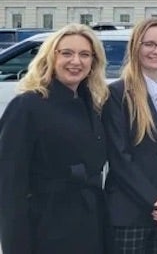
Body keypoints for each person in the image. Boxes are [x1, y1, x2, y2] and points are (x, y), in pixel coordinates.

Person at [0, 24, 109, 254]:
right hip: (45, 229)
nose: (76, 61)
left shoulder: (93, 105)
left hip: (91, 227)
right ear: (51, 57)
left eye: (84, 55)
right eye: (67, 53)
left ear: (93, 63)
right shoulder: (27, 106)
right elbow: (9, 186)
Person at [103, 18, 157, 253]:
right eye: (149, 44)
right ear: (136, 47)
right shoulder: (117, 94)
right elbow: (120, 159)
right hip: (129, 214)